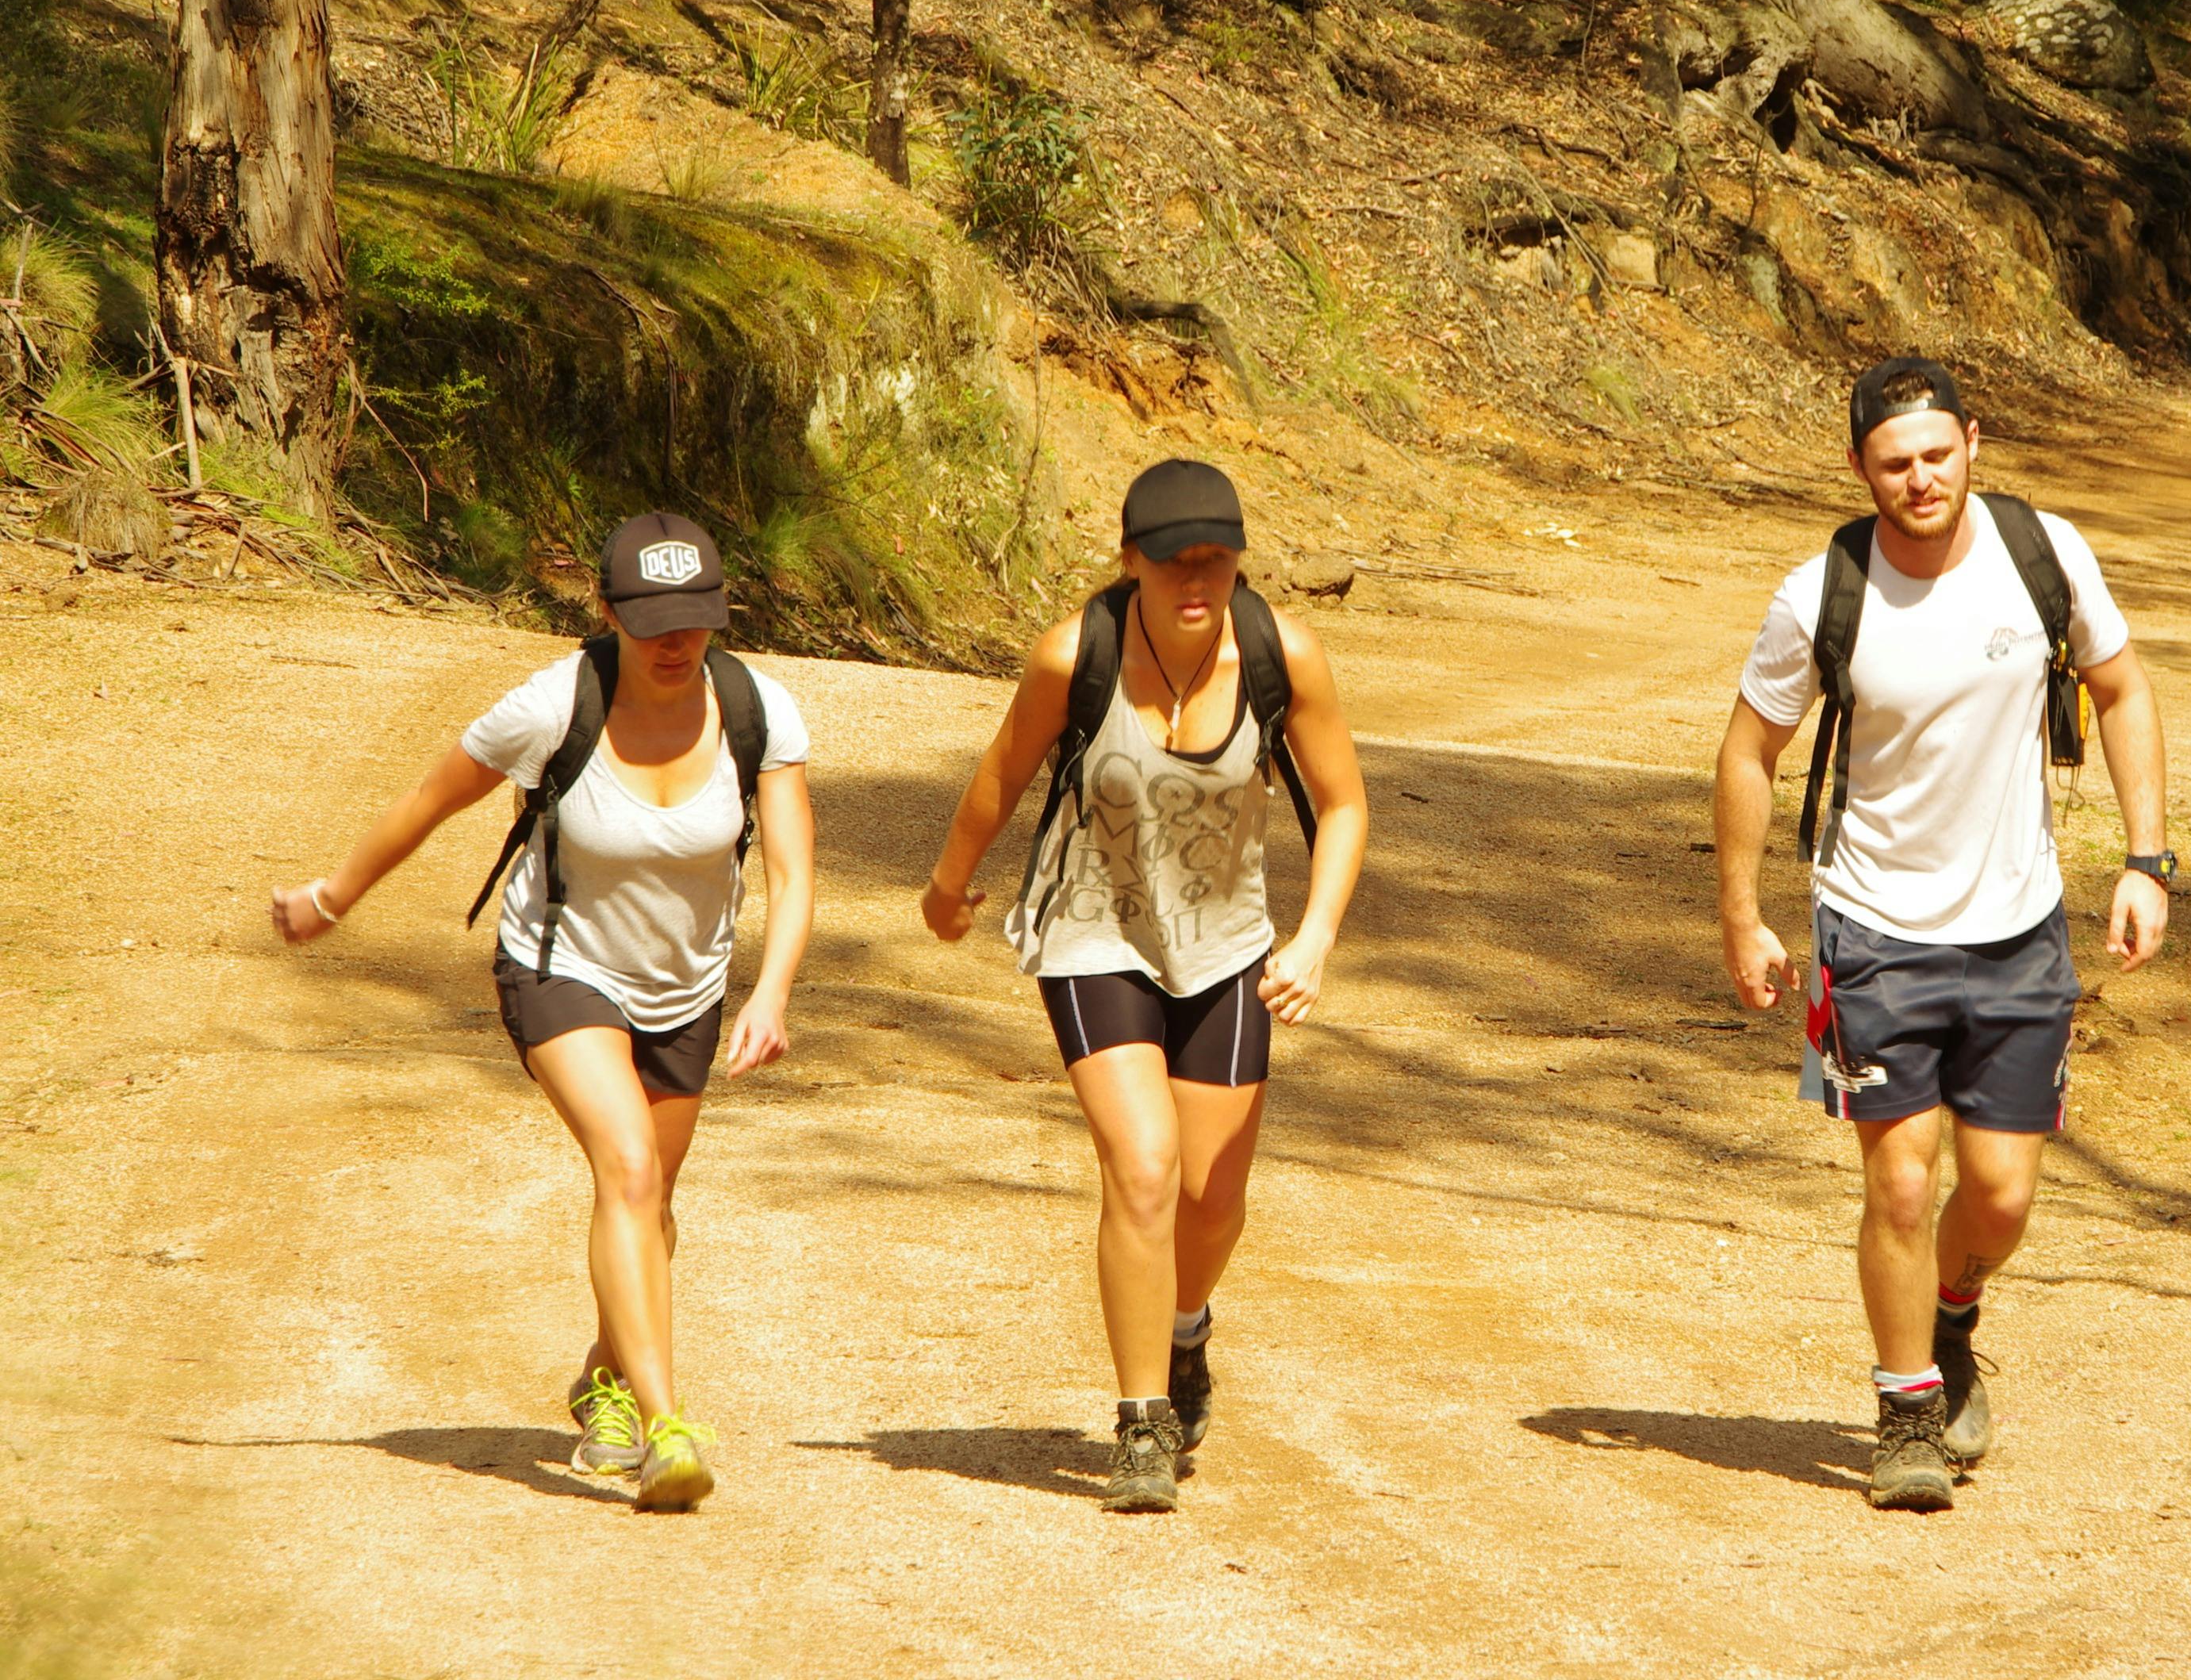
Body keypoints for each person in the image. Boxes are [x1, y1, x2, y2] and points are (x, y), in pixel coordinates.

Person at [271, 513, 812, 1512]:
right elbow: (433, 797)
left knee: (652, 1205)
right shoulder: (555, 703)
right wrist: (333, 896)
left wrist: (771, 988)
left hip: (688, 986)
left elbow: (791, 865)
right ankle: (665, 1426)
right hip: (559, 966)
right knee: (631, 1167)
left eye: (694, 617)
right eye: (650, 618)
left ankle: (602, 1379)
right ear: (607, 611)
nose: (674, 639)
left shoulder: (755, 707)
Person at [1713, 358, 2170, 1512]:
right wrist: (1743, 916)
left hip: (2019, 930)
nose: (1919, 480)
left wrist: (2146, 859)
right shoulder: (1823, 591)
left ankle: (1951, 1316)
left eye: (1936, 454)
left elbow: (2121, 689)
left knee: (2003, 1195)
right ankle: (1905, 1408)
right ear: (1860, 469)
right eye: (1892, 463)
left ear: (1974, 441)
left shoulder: (2044, 555)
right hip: (1874, 928)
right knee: (1904, 1186)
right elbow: (1747, 752)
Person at [923, 458, 1369, 1513]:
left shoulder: (1280, 653)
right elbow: (1002, 772)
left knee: (1214, 1199)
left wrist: (1314, 939)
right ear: (1131, 562)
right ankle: (1141, 1422)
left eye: (1215, 558)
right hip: (1092, 933)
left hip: (1226, 948)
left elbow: (1344, 807)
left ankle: (1185, 1327)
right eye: (1173, 561)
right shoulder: (1075, 655)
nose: (1196, 579)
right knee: (1145, 1169)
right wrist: (950, 885)